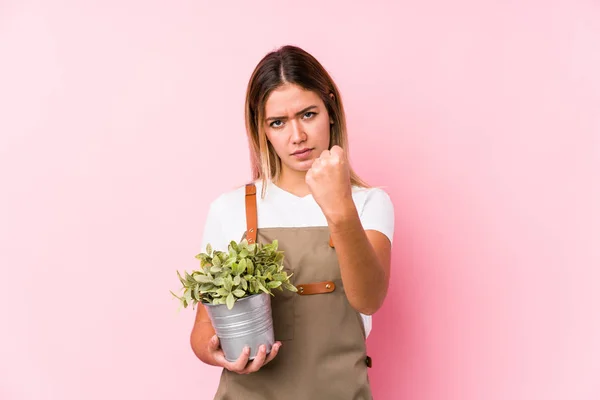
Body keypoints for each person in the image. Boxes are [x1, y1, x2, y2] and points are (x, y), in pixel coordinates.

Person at [189, 45, 395, 400]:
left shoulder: (368, 203)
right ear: (263, 129)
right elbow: (202, 331)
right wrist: (217, 353)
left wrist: (339, 205)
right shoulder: (230, 208)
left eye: (308, 114)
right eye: (278, 122)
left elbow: (369, 299)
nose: (297, 136)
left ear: (330, 110)